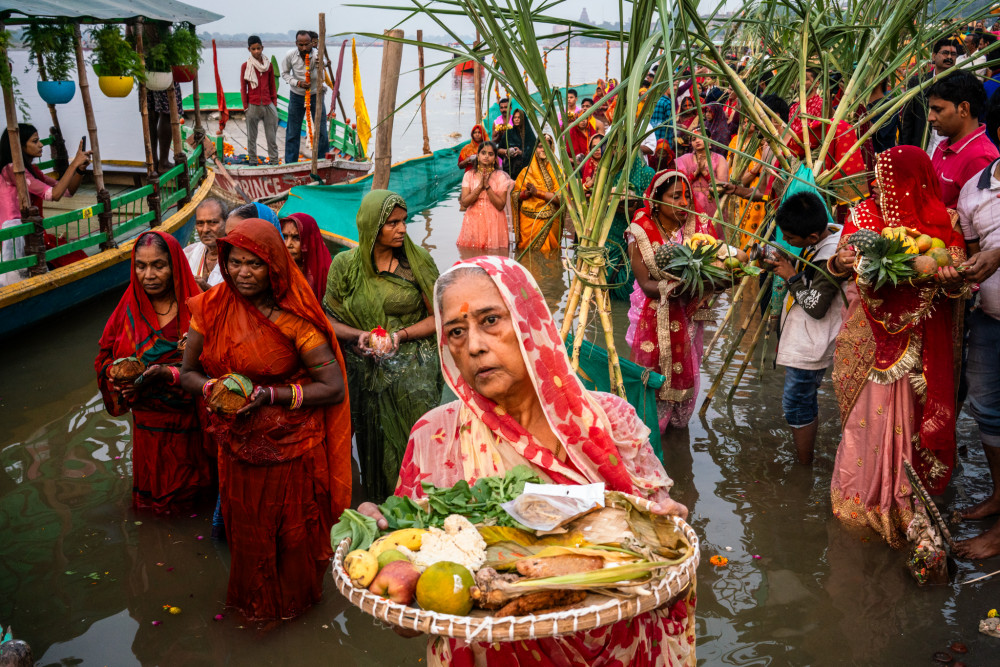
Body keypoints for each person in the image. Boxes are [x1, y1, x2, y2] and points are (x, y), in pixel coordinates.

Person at [361, 255, 694, 667]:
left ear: (529, 321)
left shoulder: (609, 424)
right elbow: (410, 620)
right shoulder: (436, 438)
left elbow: (664, 570)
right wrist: (380, 554)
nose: (475, 346)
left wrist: (671, 531)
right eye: (457, 332)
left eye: (490, 321)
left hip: (614, 647)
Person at [180, 219, 351, 621]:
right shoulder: (208, 308)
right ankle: (255, 614)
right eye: (235, 262)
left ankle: (295, 613)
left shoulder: (294, 318)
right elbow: (188, 373)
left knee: (291, 537)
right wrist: (216, 391)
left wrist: (268, 395)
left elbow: (333, 386)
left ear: (273, 265)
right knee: (249, 537)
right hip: (237, 448)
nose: (242, 272)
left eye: (253, 264)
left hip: (291, 451)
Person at [828, 146, 966, 549]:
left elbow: (959, 281)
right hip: (868, 342)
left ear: (909, 183)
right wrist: (842, 259)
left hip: (921, 349)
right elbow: (838, 266)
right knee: (865, 421)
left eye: (885, 177)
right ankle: (864, 498)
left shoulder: (944, 221)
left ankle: (907, 503)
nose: (875, 184)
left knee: (909, 424)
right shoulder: (863, 216)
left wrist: (945, 272)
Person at [323, 190, 442, 499]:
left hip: (413, 375)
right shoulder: (345, 266)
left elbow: (439, 318)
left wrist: (399, 336)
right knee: (375, 447)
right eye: (392, 223)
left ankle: (419, 509)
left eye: (403, 221)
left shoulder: (417, 264)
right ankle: (383, 509)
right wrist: (357, 336)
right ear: (372, 225)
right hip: (364, 372)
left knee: (413, 448)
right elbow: (328, 319)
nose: (402, 229)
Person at [95, 231, 213, 512]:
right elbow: (104, 356)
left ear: (175, 265)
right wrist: (117, 376)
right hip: (147, 424)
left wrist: (167, 373)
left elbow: (219, 365)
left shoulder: (199, 307)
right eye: (141, 266)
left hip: (190, 423)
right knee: (152, 502)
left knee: (191, 500)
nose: (148, 274)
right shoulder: (129, 307)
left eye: (158, 265)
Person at [626, 170, 729, 430]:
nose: (685, 203)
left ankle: (677, 430)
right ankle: (649, 428)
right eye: (675, 197)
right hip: (652, 312)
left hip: (689, 315)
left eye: (687, 196)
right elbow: (647, 285)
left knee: (688, 367)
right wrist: (677, 287)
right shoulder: (641, 231)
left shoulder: (699, 227)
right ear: (657, 201)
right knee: (652, 375)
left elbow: (719, 268)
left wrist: (723, 278)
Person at [950, 101, 1000, 559]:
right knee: (988, 411)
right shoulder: (973, 191)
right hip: (988, 316)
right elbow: (968, 253)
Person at [764, 192, 844, 465]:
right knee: (801, 401)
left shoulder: (832, 255)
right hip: (804, 336)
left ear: (812, 237)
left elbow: (816, 305)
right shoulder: (825, 236)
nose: (786, 240)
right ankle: (805, 459)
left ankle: (804, 466)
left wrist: (791, 275)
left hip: (814, 340)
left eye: (791, 237)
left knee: (797, 404)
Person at [0, 125, 92, 285]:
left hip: (32, 233)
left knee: (75, 256)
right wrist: (73, 164)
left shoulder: (32, 170)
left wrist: (79, 170)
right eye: (35, 141)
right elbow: (53, 195)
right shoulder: (12, 170)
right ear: (19, 146)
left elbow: (66, 191)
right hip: (16, 237)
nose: (41, 144)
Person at [928, 70, 998, 208]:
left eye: (938, 109)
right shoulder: (943, 145)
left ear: (964, 109)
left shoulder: (980, 158)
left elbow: (980, 221)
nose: (930, 117)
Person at [900, 38, 959, 150]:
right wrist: (905, 148)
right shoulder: (918, 82)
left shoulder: (960, 84)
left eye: (954, 54)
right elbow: (908, 118)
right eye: (945, 53)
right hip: (922, 146)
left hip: (948, 148)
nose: (950, 57)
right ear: (933, 56)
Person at [206, 202, 282, 287]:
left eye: (240, 238)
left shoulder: (291, 288)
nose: (230, 244)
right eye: (228, 237)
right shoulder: (223, 266)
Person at [281, 30, 329, 164]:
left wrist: (322, 64)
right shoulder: (290, 55)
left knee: (322, 131)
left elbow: (324, 64)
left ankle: (322, 162)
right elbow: (285, 74)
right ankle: (290, 163)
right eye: (301, 45)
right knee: (292, 131)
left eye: (307, 45)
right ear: (296, 44)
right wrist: (298, 83)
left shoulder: (316, 55)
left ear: (311, 43)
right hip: (297, 95)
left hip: (315, 95)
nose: (304, 48)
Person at [457, 141, 512, 250]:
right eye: (483, 153)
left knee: (495, 258)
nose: (486, 156)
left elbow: (501, 205)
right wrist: (479, 187)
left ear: (495, 157)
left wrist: (487, 186)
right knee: (472, 256)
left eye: (490, 154)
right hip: (473, 220)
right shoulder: (469, 175)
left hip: (495, 221)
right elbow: (465, 202)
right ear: (478, 156)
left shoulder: (500, 177)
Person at [511, 136, 562, 253]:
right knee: (526, 257)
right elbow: (515, 195)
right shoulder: (525, 171)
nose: (543, 149)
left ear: (551, 148)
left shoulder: (557, 172)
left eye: (546, 146)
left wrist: (537, 193)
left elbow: (560, 198)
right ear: (535, 149)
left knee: (549, 258)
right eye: (540, 146)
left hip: (549, 220)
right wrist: (525, 194)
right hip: (527, 222)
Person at [675, 132, 729, 230]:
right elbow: (679, 184)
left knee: (711, 237)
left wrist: (705, 173)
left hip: (713, 204)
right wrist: (695, 173)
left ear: (709, 139)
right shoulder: (684, 159)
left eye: (700, 137)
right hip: (690, 204)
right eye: (694, 139)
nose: (697, 141)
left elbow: (722, 186)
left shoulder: (719, 159)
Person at [240, 35, 279, 164]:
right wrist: (246, 106)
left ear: (262, 48)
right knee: (252, 136)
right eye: (253, 49)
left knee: (271, 137)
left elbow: (272, 85)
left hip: (268, 104)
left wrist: (274, 103)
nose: (256, 51)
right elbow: (243, 88)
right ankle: (252, 160)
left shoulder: (269, 65)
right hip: (253, 105)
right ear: (249, 50)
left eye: (258, 48)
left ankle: (274, 161)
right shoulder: (246, 66)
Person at [280, 212, 332, 301]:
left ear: (310, 241)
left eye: (297, 238)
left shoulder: (326, 273)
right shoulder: (279, 271)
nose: (288, 244)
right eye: (284, 237)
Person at [184, 197, 228, 291]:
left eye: (212, 222)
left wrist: (207, 289)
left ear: (226, 223)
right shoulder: (188, 253)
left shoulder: (236, 258)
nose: (205, 230)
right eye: (200, 223)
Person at [497, 108, 535, 179]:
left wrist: (521, 152)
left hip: (526, 170)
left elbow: (534, 152)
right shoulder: (508, 133)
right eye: (515, 117)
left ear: (523, 119)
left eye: (519, 117)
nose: (516, 119)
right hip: (510, 169)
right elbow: (498, 149)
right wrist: (506, 151)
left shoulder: (529, 135)